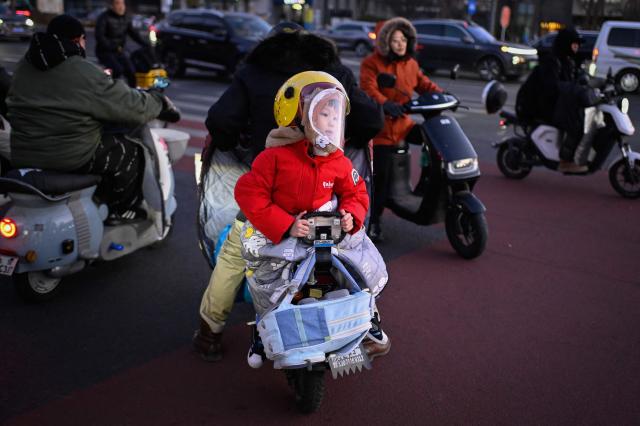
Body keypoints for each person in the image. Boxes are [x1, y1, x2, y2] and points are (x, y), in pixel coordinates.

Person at [193, 23, 384, 362]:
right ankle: (367, 324)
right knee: (357, 255)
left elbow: (221, 122)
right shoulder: (331, 75)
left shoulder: (255, 73)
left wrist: (242, 142)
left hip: (271, 201)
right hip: (325, 203)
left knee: (235, 255)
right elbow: (371, 120)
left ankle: (210, 332)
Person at [234, 71, 389, 366]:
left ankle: (367, 320)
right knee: (267, 281)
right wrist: (285, 223)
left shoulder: (339, 161)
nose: (331, 121)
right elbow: (250, 193)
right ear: (297, 115)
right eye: (324, 112)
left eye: (336, 115)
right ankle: (263, 328)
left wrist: (350, 216)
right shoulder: (273, 158)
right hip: (286, 234)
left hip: (329, 231)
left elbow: (357, 192)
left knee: (360, 266)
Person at [6, 15, 168, 220]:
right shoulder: (82, 71)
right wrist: (159, 101)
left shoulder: (24, 66)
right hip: (68, 156)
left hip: (23, 153)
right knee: (129, 152)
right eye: (83, 40)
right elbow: (133, 107)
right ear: (77, 40)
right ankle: (120, 211)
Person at [360, 17, 443, 242]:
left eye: (403, 39)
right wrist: (385, 103)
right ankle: (374, 221)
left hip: (404, 125)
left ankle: (426, 182)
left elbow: (424, 83)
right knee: (382, 177)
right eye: (395, 40)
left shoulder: (411, 64)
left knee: (435, 139)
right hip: (382, 130)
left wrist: (441, 95)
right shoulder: (371, 63)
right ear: (386, 42)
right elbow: (368, 88)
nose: (400, 44)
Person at [515, 28, 595, 173]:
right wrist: (575, 89)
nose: (577, 47)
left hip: (551, 103)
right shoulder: (551, 61)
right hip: (536, 106)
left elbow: (574, 80)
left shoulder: (567, 60)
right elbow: (552, 87)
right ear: (566, 44)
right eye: (574, 44)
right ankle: (565, 161)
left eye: (578, 44)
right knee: (575, 122)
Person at [95, 0, 150, 87]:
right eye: (117, 3)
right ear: (111, 6)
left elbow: (133, 34)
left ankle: (133, 95)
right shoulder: (104, 18)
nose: (121, 6)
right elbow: (99, 36)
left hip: (120, 51)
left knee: (132, 72)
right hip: (105, 51)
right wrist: (110, 46)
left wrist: (146, 43)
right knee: (117, 70)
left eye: (122, 3)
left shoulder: (126, 18)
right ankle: (106, 90)